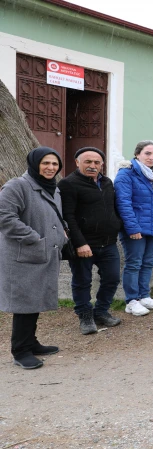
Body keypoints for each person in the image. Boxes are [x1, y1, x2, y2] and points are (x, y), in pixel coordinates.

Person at [0, 147, 67, 369]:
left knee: (35, 299)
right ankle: (20, 351)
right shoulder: (17, 185)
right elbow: (4, 216)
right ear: (35, 163)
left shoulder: (52, 188)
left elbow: (55, 216)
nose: (50, 168)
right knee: (25, 302)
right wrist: (33, 237)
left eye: (55, 164)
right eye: (46, 163)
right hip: (24, 254)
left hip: (44, 252)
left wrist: (62, 232)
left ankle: (31, 342)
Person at [58, 147, 123, 335]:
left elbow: (113, 208)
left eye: (96, 162)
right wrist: (79, 243)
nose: (92, 166)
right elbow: (68, 217)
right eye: (88, 162)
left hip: (108, 242)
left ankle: (101, 312)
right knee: (82, 281)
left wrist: (116, 225)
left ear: (102, 164)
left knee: (112, 279)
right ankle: (85, 316)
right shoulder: (68, 184)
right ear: (77, 162)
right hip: (84, 245)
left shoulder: (108, 182)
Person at [114, 140, 153, 316]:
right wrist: (132, 228)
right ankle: (131, 301)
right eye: (147, 153)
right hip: (136, 229)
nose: (151, 157)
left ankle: (144, 296)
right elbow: (123, 203)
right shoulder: (126, 173)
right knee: (134, 263)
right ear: (137, 154)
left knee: (148, 262)